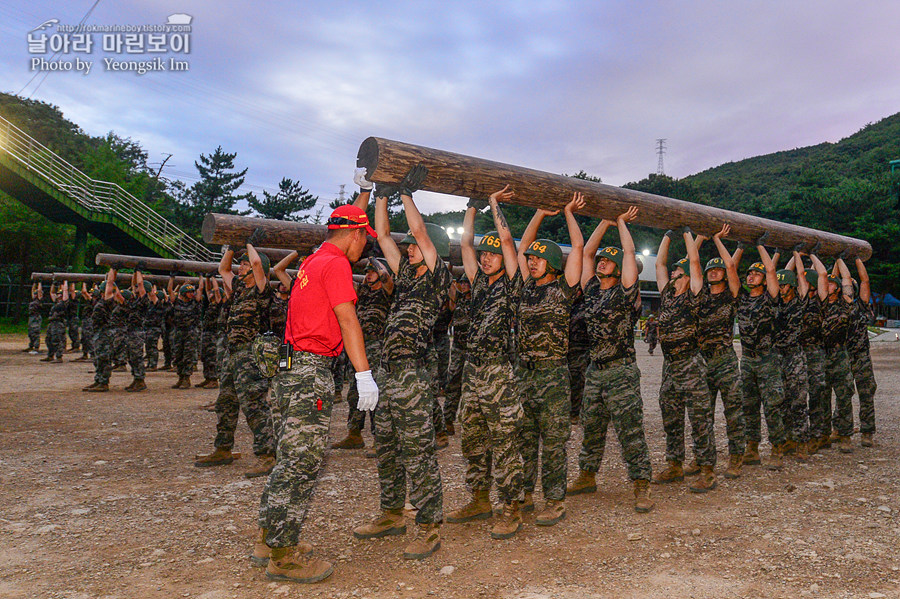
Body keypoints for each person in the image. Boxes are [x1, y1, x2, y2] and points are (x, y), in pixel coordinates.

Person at [255, 202, 379, 583]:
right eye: (364, 240)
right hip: (310, 372)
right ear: (356, 234)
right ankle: (284, 556)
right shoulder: (337, 264)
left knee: (288, 459)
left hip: (289, 368)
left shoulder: (312, 260)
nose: (363, 252)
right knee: (301, 463)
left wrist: (364, 192)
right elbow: (347, 318)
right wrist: (364, 375)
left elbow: (349, 217)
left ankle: (270, 538)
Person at [352, 165, 449, 559]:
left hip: (412, 373)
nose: (408, 249)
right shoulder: (406, 277)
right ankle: (392, 513)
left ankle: (429, 523)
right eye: (407, 248)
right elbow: (384, 235)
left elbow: (421, 234)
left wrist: (408, 195)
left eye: (414, 248)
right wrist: (381, 195)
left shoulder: (436, 278)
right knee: (387, 445)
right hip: (388, 372)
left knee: (418, 449)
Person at [446, 185, 526, 540]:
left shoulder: (511, 285)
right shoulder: (478, 283)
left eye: (491, 254)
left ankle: (511, 507)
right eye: (485, 253)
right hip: (473, 370)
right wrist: (471, 209)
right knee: (473, 436)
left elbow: (509, 244)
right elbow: (465, 246)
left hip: (498, 370)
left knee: (505, 439)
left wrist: (494, 204)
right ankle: (479, 498)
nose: (486, 257)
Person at [567, 207, 654, 513]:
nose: (602, 261)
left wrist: (620, 222)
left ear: (618, 269)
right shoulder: (591, 289)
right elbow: (588, 252)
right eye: (603, 260)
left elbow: (629, 253)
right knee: (591, 426)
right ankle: (587, 476)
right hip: (595, 370)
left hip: (621, 371)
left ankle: (641, 483)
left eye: (608, 260)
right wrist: (604, 221)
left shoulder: (626, 293)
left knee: (630, 430)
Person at [514, 193, 584, 526]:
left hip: (554, 376)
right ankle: (526, 494)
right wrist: (538, 214)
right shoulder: (525, 287)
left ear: (553, 263)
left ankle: (555, 500)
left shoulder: (564, 287)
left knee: (554, 442)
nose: (531, 262)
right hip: (524, 374)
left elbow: (579, 249)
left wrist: (569, 213)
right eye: (531, 259)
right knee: (525, 438)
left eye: (538, 259)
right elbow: (519, 249)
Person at [195, 242, 276, 479]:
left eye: (244, 264)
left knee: (253, 404)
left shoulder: (262, 290)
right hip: (233, 354)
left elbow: (259, 263)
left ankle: (268, 455)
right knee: (226, 402)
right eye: (240, 264)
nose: (240, 268)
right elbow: (222, 269)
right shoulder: (240, 289)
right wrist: (231, 246)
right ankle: (222, 449)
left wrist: (251, 243)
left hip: (251, 355)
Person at [653, 228, 717, 492]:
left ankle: (707, 469)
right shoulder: (667, 293)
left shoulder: (694, 294)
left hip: (691, 363)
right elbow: (659, 263)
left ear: (687, 277)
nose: (672, 274)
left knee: (700, 418)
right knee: (671, 415)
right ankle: (675, 464)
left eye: (677, 273)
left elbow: (694, 263)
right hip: (670, 365)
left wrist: (690, 234)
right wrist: (667, 235)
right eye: (673, 273)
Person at [694, 225, 746, 479]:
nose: (714, 271)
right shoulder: (700, 294)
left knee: (733, 410)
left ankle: (737, 456)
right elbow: (692, 259)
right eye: (710, 269)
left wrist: (716, 238)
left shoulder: (731, 295)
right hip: (702, 360)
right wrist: (700, 238)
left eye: (718, 269)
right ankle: (702, 458)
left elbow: (732, 266)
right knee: (702, 413)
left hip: (724, 359)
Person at [333, 257, 393, 450]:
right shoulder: (363, 292)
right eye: (366, 271)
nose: (368, 275)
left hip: (378, 346)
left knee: (377, 394)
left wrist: (374, 258)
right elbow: (343, 281)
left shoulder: (387, 292)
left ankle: (380, 438)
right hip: (358, 345)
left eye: (372, 271)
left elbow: (386, 277)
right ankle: (354, 433)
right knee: (354, 392)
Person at [738, 237, 787, 470]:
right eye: (749, 273)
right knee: (748, 405)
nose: (751, 276)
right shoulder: (742, 299)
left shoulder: (771, 299)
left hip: (767, 358)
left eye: (756, 274)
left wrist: (759, 244)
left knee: (772, 405)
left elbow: (770, 269)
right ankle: (752, 447)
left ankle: (777, 447)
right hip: (747, 359)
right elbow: (730, 269)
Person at [815, 255, 856, 453]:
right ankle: (823, 435)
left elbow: (846, 280)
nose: (827, 285)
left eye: (832, 283)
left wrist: (840, 257)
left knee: (844, 396)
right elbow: (823, 277)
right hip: (822, 354)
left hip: (840, 354)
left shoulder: (845, 303)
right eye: (826, 283)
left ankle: (845, 434)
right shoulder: (820, 304)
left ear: (838, 288)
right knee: (822, 397)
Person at [775, 250, 811, 460]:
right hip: (777, 356)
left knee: (798, 401)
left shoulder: (800, 302)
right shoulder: (774, 302)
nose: (780, 288)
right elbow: (778, 274)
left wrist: (798, 256)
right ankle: (787, 438)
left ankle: (802, 442)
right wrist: (787, 255)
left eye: (784, 285)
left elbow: (800, 278)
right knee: (780, 402)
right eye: (778, 285)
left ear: (792, 287)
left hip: (795, 357)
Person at [848, 257, 877, 448]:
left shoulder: (861, 305)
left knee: (866, 394)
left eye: (850, 286)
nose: (847, 288)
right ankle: (841, 430)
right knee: (843, 395)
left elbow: (865, 281)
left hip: (861, 357)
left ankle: (867, 431)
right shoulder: (834, 305)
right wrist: (839, 258)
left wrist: (857, 258)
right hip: (842, 356)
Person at [443, 272, 472, 433]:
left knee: (470, 385)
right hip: (458, 349)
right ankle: (448, 419)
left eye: (466, 283)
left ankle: (468, 420)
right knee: (453, 382)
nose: (464, 285)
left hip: (471, 350)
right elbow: (451, 299)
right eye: (462, 283)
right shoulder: (459, 300)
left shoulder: (477, 301)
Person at [83, 272, 117, 392]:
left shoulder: (109, 301)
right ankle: (98, 380)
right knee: (97, 358)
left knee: (104, 358)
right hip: (99, 332)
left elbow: (110, 284)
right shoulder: (100, 301)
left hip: (105, 333)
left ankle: (104, 382)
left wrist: (113, 270)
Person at [167, 275, 202, 388]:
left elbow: (200, 289)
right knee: (178, 355)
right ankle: (180, 378)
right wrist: (172, 278)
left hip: (190, 332)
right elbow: (169, 290)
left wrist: (201, 276)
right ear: (183, 293)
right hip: (179, 332)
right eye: (189, 292)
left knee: (188, 355)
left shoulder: (195, 302)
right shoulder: (176, 302)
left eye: (192, 291)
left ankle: (186, 378)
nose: (192, 293)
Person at [196, 276, 221, 388]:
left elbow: (215, 290)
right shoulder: (210, 304)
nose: (210, 294)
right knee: (205, 357)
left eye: (213, 294)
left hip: (214, 334)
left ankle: (213, 379)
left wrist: (213, 277)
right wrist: (207, 278)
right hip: (206, 333)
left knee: (212, 357)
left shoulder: (219, 305)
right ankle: (207, 378)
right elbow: (207, 290)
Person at [42, 282, 68, 362]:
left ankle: (59, 357)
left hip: (58, 323)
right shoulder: (56, 302)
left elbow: (66, 291)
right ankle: (50, 355)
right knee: (48, 339)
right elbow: (52, 292)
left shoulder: (64, 303)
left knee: (57, 339)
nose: (58, 295)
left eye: (60, 294)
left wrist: (65, 282)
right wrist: (53, 283)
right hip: (52, 323)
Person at [26, 283, 43, 354]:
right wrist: (34, 283)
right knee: (30, 332)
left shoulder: (39, 300)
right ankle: (31, 346)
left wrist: (39, 282)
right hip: (31, 317)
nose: (35, 294)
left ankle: (36, 347)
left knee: (35, 332)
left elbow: (39, 291)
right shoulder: (34, 300)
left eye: (36, 294)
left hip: (36, 317)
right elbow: (33, 291)